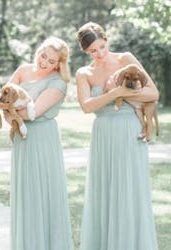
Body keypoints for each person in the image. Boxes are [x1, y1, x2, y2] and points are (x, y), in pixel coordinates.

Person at [75, 22, 159, 250]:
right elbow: (87, 106)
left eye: (102, 46)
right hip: (103, 134)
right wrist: (117, 92)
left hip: (129, 130)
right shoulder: (84, 73)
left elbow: (153, 92)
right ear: (85, 52)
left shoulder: (126, 59)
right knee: (105, 191)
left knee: (129, 188)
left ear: (106, 39)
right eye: (93, 51)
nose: (100, 53)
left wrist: (126, 93)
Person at [6, 37, 73, 250]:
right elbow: (3, 100)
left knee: (43, 192)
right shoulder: (23, 70)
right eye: (43, 55)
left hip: (43, 139)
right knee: (25, 193)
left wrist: (10, 112)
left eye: (51, 61)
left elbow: (31, 113)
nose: (44, 62)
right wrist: (9, 113)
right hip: (20, 138)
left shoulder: (58, 82)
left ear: (58, 65)